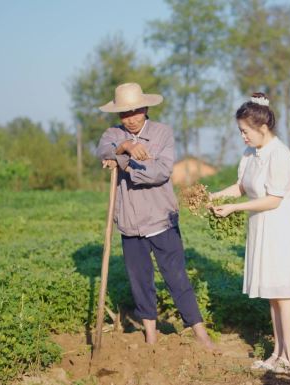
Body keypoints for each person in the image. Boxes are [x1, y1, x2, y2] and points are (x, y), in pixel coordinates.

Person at [96, 82, 213, 349]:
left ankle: (200, 333)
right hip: (129, 223)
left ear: (146, 108)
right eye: (125, 114)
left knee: (177, 278)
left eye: (136, 111)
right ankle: (151, 334)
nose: (132, 118)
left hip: (161, 218)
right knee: (140, 281)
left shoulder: (162, 133)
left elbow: (160, 172)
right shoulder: (113, 134)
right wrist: (123, 146)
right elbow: (102, 149)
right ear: (118, 115)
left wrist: (121, 161)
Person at [211, 93, 290, 373]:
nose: (242, 137)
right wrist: (216, 197)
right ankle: (278, 353)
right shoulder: (250, 154)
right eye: (240, 132)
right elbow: (241, 186)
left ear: (262, 128)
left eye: (245, 131)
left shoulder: (279, 154)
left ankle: (289, 357)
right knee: (272, 293)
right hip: (260, 226)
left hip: (279, 227)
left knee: (284, 294)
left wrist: (234, 208)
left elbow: (274, 199)